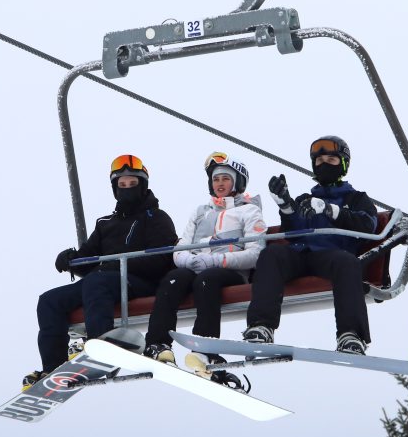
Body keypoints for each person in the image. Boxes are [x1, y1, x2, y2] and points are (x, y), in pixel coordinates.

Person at [24, 154, 178, 389]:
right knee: (49, 301)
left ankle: (101, 348)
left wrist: (114, 266)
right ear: (115, 189)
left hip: (140, 282)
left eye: (132, 184)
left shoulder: (156, 217)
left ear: (143, 185)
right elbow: (87, 258)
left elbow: (163, 258)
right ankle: (53, 366)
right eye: (122, 185)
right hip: (105, 282)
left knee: (97, 281)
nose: (127, 189)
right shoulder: (106, 223)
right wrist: (70, 260)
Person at [242, 135, 377, 355]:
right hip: (301, 254)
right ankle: (261, 326)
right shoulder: (306, 198)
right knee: (272, 254)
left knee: (347, 263)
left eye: (332, 160)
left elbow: (367, 225)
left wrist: (329, 209)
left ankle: (351, 335)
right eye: (320, 160)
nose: (324, 164)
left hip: (332, 256)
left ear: (343, 165)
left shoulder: (356, 198)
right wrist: (286, 205)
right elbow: (294, 233)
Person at [143, 153, 266, 381]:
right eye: (216, 179)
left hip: (231, 272)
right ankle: (158, 344)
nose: (219, 184)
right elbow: (181, 247)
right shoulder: (201, 212)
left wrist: (216, 260)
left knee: (206, 280)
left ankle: (204, 348)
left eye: (225, 179)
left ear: (237, 182)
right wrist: (187, 260)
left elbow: (255, 253)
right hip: (197, 269)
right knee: (173, 278)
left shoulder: (249, 211)